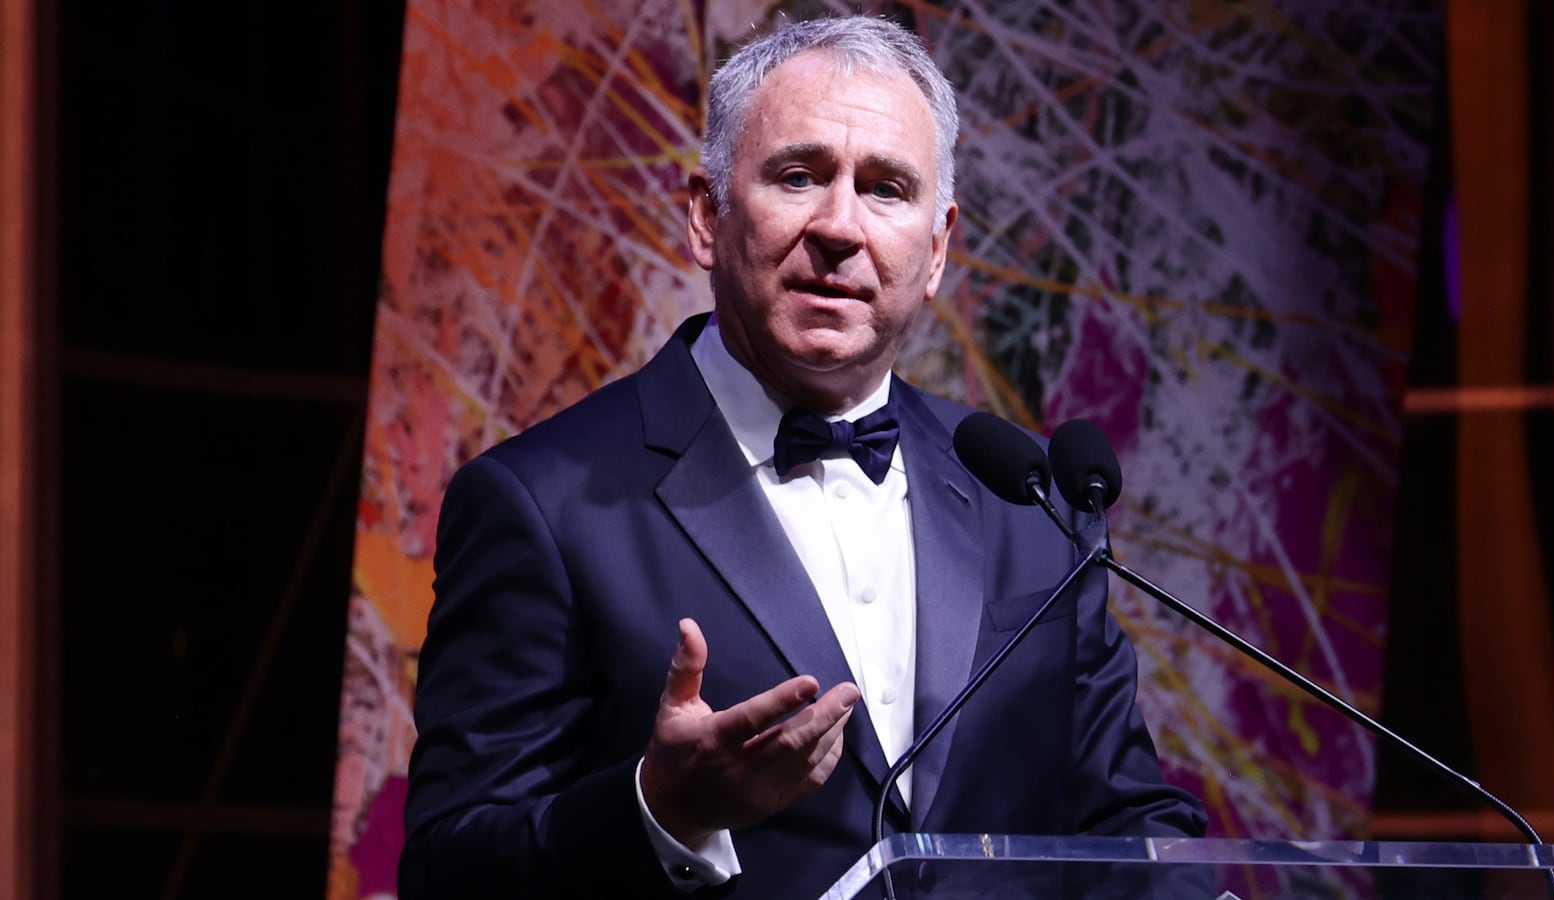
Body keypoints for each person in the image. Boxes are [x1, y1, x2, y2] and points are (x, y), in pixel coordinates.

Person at [399, 15, 1205, 900]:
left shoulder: (1033, 505)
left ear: (936, 250)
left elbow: (1126, 829)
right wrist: (658, 812)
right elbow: (450, 870)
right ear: (707, 217)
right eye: (798, 175)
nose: (839, 227)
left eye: (887, 189)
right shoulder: (540, 503)